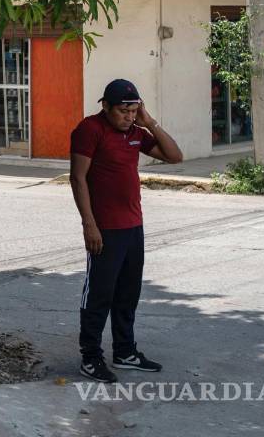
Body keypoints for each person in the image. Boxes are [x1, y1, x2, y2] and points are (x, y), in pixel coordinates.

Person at [69, 79, 183, 383]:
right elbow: (78, 179)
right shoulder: (90, 129)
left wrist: (150, 122)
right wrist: (89, 224)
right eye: (123, 111)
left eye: (133, 111)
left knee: (128, 294)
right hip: (104, 228)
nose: (129, 117)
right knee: (98, 295)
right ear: (105, 106)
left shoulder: (136, 132)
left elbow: (175, 156)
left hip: (133, 226)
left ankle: (125, 351)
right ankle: (90, 358)